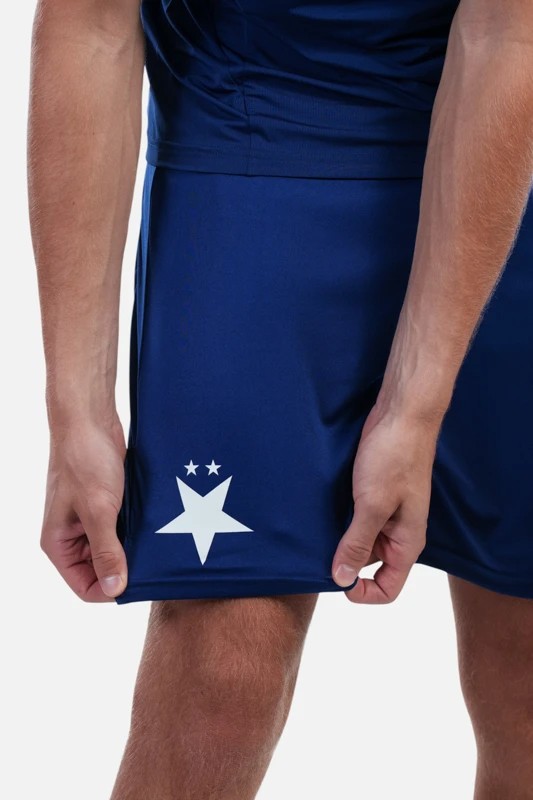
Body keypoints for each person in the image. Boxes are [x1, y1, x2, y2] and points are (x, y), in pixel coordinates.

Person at [27, 0, 533, 797]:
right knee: (222, 673)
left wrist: (415, 405)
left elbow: (506, 30)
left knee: (524, 681)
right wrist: (76, 410)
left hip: (506, 167)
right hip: (252, 133)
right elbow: (89, 22)